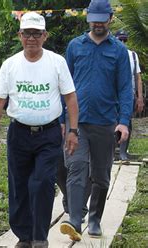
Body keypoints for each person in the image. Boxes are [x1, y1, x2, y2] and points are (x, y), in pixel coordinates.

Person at [0, 12, 79, 248]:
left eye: (36, 34)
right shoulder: (10, 65)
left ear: (44, 36)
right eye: (27, 33)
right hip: (19, 133)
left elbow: (70, 98)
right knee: (19, 187)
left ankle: (40, 237)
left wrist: (73, 131)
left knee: (41, 183)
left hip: (48, 134)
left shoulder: (56, 62)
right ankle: (24, 237)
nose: (31, 38)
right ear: (20, 35)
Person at [59, 0, 133, 241]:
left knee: (101, 175)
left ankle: (94, 218)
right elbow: (65, 85)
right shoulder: (75, 46)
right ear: (88, 18)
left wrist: (123, 121)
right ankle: (73, 219)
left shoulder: (119, 51)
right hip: (76, 122)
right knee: (77, 168)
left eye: (102, 18)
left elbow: (124, 88)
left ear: (110, 18)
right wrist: (62, 120)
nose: (98, 23)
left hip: (105, 122)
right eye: (94, 18)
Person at [115, 30, 144, 161]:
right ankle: (111, 151)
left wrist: (140, 97)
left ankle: (123, 152)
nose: (122, 43)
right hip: (112, 96)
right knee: (111, 122)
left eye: (124, 40)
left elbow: (137, 77)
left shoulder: (132, 56)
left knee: (127, 122)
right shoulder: (111, 54)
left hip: (128, 95)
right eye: (119, 40)